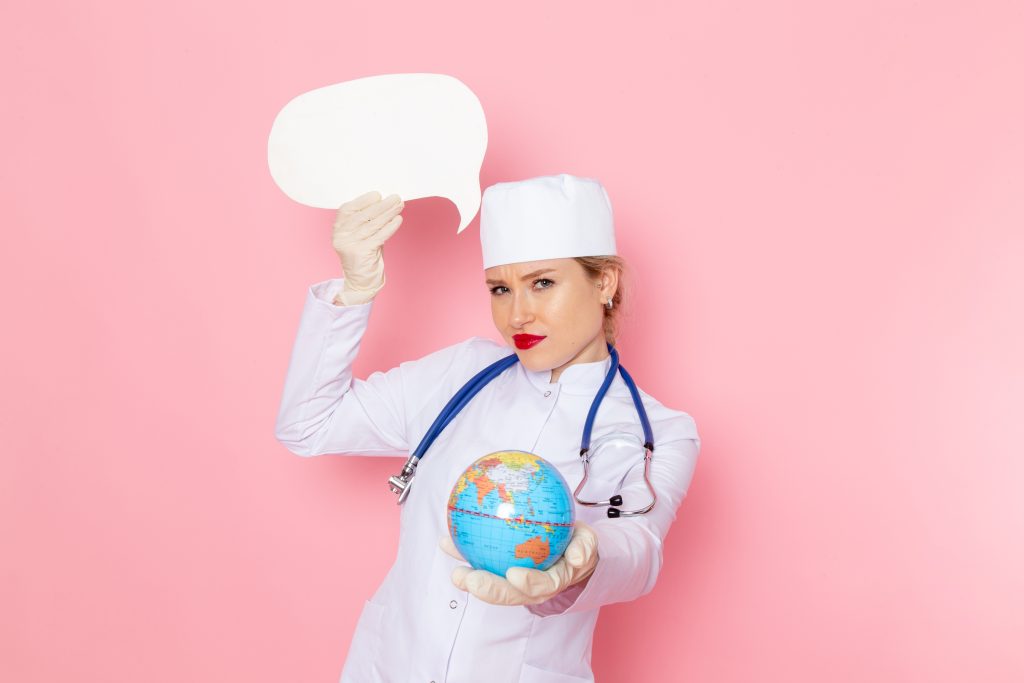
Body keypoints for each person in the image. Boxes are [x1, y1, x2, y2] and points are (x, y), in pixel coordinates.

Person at [274, 173, 701, 683]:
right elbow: (308, 424)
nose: (517, 313)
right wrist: (355, 291)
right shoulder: (460, 375)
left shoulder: (657, 431)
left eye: (542, 283)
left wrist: (585, 561)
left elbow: (639, 549)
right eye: (500, 288)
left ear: (604, 282)